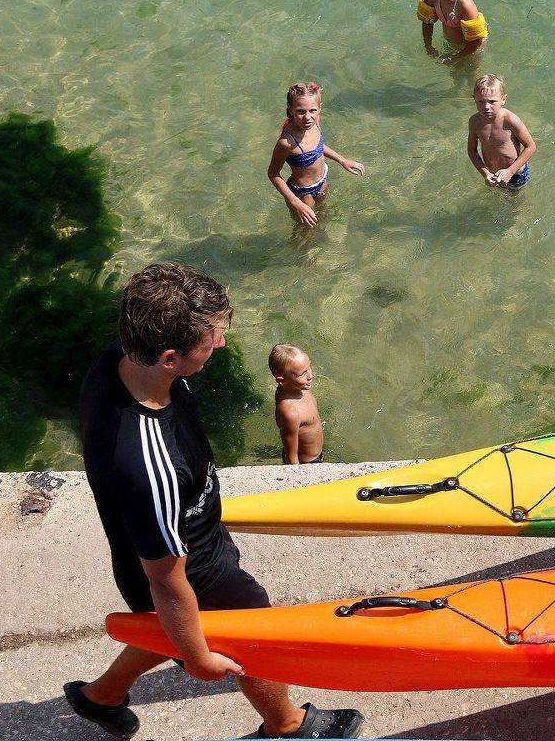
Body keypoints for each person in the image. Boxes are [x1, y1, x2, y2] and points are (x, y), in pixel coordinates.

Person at [65, 263, 362, 739]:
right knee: (253, 636)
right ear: (169, 358)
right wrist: (199, 658)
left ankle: (101, 696)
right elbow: (167, 581)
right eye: (212, 339)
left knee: (168, 629)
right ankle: (286, 726)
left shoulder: (122, 360)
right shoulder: (148, 464)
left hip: (171, 537)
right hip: (191, 569)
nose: (221, 344)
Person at [266, 82, 363, 228]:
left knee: (322, 220)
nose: (307, 117)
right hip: (302, 195)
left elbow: (318, 147)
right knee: (305, 232)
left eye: (312, 110)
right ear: (290, 109)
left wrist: (342, 160)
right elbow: (273, 174)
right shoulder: (286, 142)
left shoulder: (315, 122)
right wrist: (296, 203)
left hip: (322, 183)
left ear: (319, 108)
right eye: (300, 111)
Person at [466, 74, 535, 191]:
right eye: (480, 101)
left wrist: (510, 172)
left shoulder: (510, 120)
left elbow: (531, 147)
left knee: (514, 199)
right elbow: (472, 151)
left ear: (503, 99)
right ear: (474, 99)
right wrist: (485, 173)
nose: (486, 107)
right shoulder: (474, 122)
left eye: (492, 101)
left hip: (515, 173)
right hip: (492, 174)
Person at [269, 344, 324, 465]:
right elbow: (291, 459)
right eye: (302, 373)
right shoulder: (291, 413)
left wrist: (300, 376)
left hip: (314, 452)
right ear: (282, 380)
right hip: (307, 463)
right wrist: (298, 473)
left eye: (309, 368)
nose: (310, 376)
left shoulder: (298, 386)